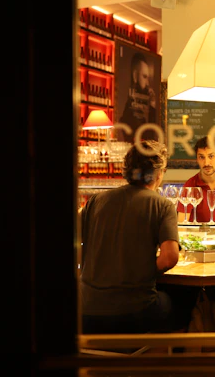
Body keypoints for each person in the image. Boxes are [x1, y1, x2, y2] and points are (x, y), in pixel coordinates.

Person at [80, 140, 180, 334]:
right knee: (179, 303)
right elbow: (169, 258)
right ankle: (151, 360)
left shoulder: (96, 201)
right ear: (159, 173)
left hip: (87, 311)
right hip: (134, 310)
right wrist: (141, 271)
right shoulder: (162, 205)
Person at [118, 52, 157, 142]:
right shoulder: (130, 113)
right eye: (144, 77)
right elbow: (148, 137)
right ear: (135, 76)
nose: (148, 83)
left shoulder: (142, 110)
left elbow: (151, 136)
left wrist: (152, 105)